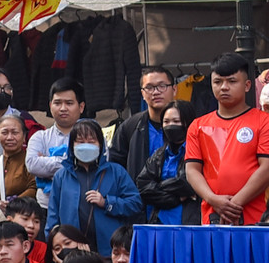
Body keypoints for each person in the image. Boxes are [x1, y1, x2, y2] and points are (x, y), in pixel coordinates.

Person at [182, 51, 269, 225]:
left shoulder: (263, 121)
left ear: (247, 85)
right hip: (212, 216)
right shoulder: (198, 125)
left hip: (254, 217)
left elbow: (266, 168)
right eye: (218, 81)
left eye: (231, 81)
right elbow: (192, 170)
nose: (224, 87)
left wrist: (235, 203)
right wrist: (213, 199)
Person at [43, 117, 142, 255]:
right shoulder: (61, 176)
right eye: (80, 141)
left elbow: (135, 204)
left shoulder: (116, 172)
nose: (86, 145)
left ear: (101, 145)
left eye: (91, 141)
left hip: (110, 251)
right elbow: (53, 216)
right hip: (73, 253)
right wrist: (54, 245)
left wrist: (107, 203)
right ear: (72, 145)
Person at [112, 67, 181, 214]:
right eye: (149, 87)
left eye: (162, 86)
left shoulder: (190, 125)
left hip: (180, 208)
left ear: (174, 89)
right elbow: (115, 167)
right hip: (139, 209)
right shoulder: (130, 127)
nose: (156, 92)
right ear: (142, 93)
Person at [136, 103, 195, 225]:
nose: (170, 125)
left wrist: (159, 186)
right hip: (160, 223)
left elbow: (189, 184)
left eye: (176, 121)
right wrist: (177, 198)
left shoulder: (197, 152)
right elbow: (143, 188)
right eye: (166, 122)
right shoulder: (159, 155)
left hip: (189, 223)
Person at [0, 112, 35, 227]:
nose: (9, 137)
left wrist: (12, 205)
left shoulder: (30, 162)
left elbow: (34, 188)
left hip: (22, 224)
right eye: (4, 132)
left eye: (15, 133)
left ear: (24, 137)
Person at [25, 77, 85, 187]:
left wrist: (47, 161)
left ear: (81, 107)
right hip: (46, 203)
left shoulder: (93, 137)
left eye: (69, 103)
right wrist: (75, 162)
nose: (63, 108)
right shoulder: (40, 137)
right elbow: (32, 165)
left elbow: (96, 168)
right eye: (57, 103)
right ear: (50, 106)